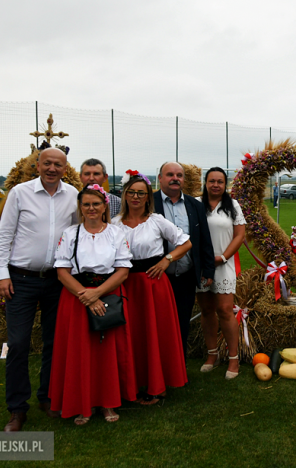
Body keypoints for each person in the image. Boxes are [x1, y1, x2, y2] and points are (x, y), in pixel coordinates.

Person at [0, 147, 78, 432]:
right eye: (47, 163)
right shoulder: (20, 193)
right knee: (17, 344)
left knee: (54, 342)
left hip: (57, 280)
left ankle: (47, 397)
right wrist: (2, 274)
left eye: (58, 165)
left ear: (65, 168)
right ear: (37, 165)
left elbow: (77, 236)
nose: (52, 169)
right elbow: (4, 235)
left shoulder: (73, 197)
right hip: (21, 279)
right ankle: (17, 408)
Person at [49, 184, 135, 425]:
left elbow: (123, 271)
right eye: (86, 204)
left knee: (106, 352)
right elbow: (62, 271)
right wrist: (85, 296)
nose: (91, 208)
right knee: (79, 352)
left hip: (107, 295)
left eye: (96, 204)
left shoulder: (117, 233)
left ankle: (108, 403)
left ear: (105, 206)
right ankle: (82, 405)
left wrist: (97, 294)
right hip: (77, 298)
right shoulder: (70, 234)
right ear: (80, 207)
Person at [112, 170, 192, 404]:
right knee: (131, 335)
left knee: (154, 334)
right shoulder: (114, 224)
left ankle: (157, 385)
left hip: (152, 285)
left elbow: (185, 243)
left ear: (148, 197)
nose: (136, 197)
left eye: (141, 193)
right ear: (125, 195)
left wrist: (166, 260)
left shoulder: (157, 221)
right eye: (132, 192)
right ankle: (131, 385)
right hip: (124, 285)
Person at [154, 162, 215, 357]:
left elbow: (204, 239)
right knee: (157, 323)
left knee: (182, 323)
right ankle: (157, 367)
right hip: (157, 276)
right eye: (170, 174)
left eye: (179, 175)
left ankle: (178, 368)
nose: (175, 178)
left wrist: (208, 270)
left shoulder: (194, 205)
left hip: (186, 277)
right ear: (160, 178)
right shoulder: (149, 202)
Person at [195, 167, 247, 379]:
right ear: (205, 183)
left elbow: (239, 235)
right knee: (206, 310)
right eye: (211, 181)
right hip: (201, 266)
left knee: (225, 310)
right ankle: (212, 355)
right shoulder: (196, 203)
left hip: (223, 264)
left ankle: (233, 358)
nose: (215, 185)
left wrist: (224, 257)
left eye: (220, 181)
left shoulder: (233, 205)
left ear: (226, 185)